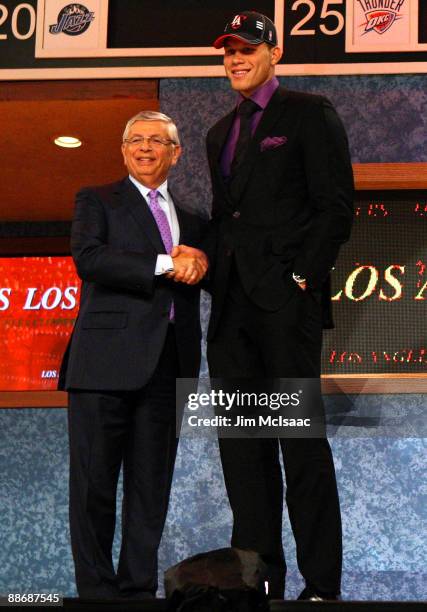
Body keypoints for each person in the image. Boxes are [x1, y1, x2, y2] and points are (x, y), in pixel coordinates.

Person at [204, 10, 354, 602]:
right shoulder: (220, 132)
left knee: (300, 447)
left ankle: (321, 587)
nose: (236, 57)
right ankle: (257, 587)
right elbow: (227, 221)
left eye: (248, 47)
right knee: (243, 454)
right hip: (232, 314)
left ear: (274, 51)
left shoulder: (309, 112)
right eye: (228, 51)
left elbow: (336, 207)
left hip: (286, 309)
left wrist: (300, 281)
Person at [58, 110, 208, 599]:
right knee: (94, 487)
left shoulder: (194, 219)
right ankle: (97, 594)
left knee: (151, 490)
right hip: (103, 366)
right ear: (124, 150)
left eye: (157, 140)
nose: (145, 147)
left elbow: (206, 272)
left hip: (169, 366)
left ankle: (137, 591)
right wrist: (168, 262)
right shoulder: (98, 199)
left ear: (176, 153)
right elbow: (90, 259)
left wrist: (200, 260)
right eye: (135, 140)